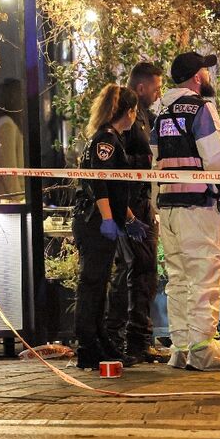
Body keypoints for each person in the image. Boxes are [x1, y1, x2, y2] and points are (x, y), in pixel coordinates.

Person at [150, 51, 220, 371]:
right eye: (205, 71)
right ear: (196, 77)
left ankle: (180, 349)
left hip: (169, 207)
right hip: (199, 208)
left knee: (177, 280)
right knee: (205, 277)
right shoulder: (202, 109)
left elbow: (154, 163)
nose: (208, 76)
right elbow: (215, 158)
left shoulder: (160, 112)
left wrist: (155, 205)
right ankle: (203, 351)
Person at [71, 84, 146, 370]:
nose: (135, 118)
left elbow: (115, 189)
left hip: (103, 219)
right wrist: (106, 218)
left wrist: (127, 218)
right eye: (134, 112)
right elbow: (99, 183)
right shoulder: (106, 140)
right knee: (91, 283)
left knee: (99, 282)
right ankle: (88, 345)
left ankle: (99, 338)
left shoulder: (110, 138)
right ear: (127, 112)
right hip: (94, 221)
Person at [104, 62, 169, 363]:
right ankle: (121, 338)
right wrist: (127, 214)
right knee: (135, 269)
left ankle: (137, 339)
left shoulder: (145, 116)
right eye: (156, 87)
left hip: (140, 202)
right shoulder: (127, 116)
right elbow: (117, 164)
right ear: (141, 88)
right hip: (129, 205)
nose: (159, 93)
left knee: (143, 271)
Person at [0, 78, 24, 199]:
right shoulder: (6, 124)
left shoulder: (8, 123)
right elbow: (8, 166)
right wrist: (19, 198)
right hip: (11, 199)